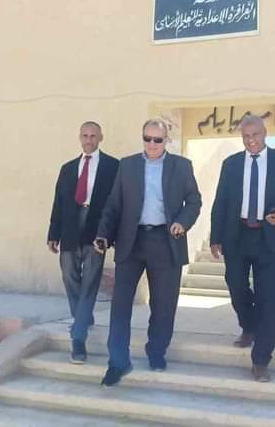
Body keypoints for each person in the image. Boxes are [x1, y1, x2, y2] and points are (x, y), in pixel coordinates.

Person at [94, 119, 201, 386]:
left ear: (167, 140)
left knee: (163, 305)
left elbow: (194, 201)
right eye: (147, 138)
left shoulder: (181, 166)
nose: (152, 144)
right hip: (131, 241)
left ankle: (156, 351)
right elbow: (113, 205)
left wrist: (182, 222)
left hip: (166, 241)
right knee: (120, 305)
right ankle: (117, 362)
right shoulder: (127, 165)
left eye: (157, 140)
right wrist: (103, 234)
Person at [210, 114, 275, 382]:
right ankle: (249, 325)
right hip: (236, 235)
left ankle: (261, 359)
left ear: (265, 133)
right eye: (246, 136)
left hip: (269, 237)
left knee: (268, 299)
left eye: (255, 135)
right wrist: (216, 237)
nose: (251, 140)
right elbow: (220, 202)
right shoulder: (231, 164)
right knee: (235, 285)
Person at [47, 121, 119, 364]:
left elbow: (116, 204)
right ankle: (84, 317)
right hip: (69, 228)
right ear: (80, 137)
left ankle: (78, 339)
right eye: (85, 136)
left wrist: (110, 235)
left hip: (97, 230)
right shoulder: (68, 168)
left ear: (101, 138)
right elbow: (58, 203)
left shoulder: (113, 166)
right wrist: (53, 233)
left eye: (93, 136)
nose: (89, 140)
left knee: (90, 280)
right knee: (69, 275)